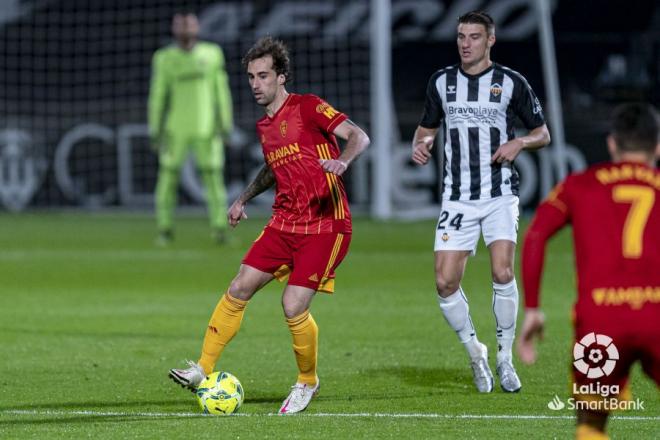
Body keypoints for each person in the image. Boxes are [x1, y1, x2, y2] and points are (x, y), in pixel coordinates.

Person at [168, 36, 369, 414]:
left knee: (292, 304)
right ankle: (202, 369)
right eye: (250, 77)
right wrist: (242, 199)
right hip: (285, 223)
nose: (255, 84)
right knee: (239, 285)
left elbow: (359, 136)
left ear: (281, 77)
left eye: (263, 76)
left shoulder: (308, 107)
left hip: (327, 225)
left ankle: (307, 381)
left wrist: (343, 161)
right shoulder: (265, 126)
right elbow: (272, 169)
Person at [411, 10, 550, 393]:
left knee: (503, 271)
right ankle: (476, 353)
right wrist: (420, 147)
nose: (465, 43)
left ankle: (505, 359)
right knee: (444, 282)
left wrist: (519, 141)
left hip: (499, 194)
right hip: (457, 199)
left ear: (490, 40)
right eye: (460, 36)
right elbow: (426, 128)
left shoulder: (510, 83)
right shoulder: (442, 83)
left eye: (473, 36)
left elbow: (543, 133)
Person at [518, 103, 659, 440]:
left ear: (612, 144)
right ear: (657, 146)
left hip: (599, 324)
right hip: (657, 315)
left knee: (591, 421)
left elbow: (536, 235)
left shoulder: (579, 185)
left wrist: (534, 308)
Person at [148, 11, 234, 245]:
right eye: (181, 24)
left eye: (189, 23)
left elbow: (221, 91)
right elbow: (158, 97)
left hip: (207, 128)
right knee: (167, 178)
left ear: (196, 26)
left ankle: (219, 228)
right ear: (174, 28)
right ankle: (164, 229)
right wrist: (155, 130)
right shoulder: (164, 58)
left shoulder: (212, 54)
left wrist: (225, 125)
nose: (185, 28)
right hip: (175, 129)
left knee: (213, 178)